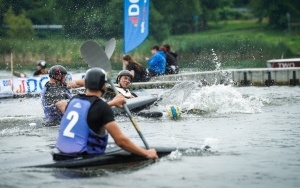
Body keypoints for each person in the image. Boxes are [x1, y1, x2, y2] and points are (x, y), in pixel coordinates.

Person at [55, 67, 158, 159]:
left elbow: (89, 111)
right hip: (85, 155)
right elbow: (121, 141)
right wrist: (146, 153)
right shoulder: (102, 107)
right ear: (104, 86)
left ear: (86, 83)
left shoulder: (74, 100)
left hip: (61, 153)